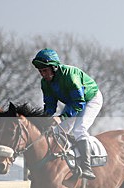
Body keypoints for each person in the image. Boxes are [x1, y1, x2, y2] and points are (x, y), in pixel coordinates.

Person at [31, 49, 102, 180]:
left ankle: (87, 168)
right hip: (73, 102)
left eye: (45, 70)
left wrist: (62, 117)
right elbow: (50, 104)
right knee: (58, 132)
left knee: (79, 130)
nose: (43, 74)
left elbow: (79, 103)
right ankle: (69, 165)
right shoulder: (45, 83)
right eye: (40, 71)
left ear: (54, 67)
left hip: (90, 99)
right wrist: (45, 120)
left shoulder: (70, 75)